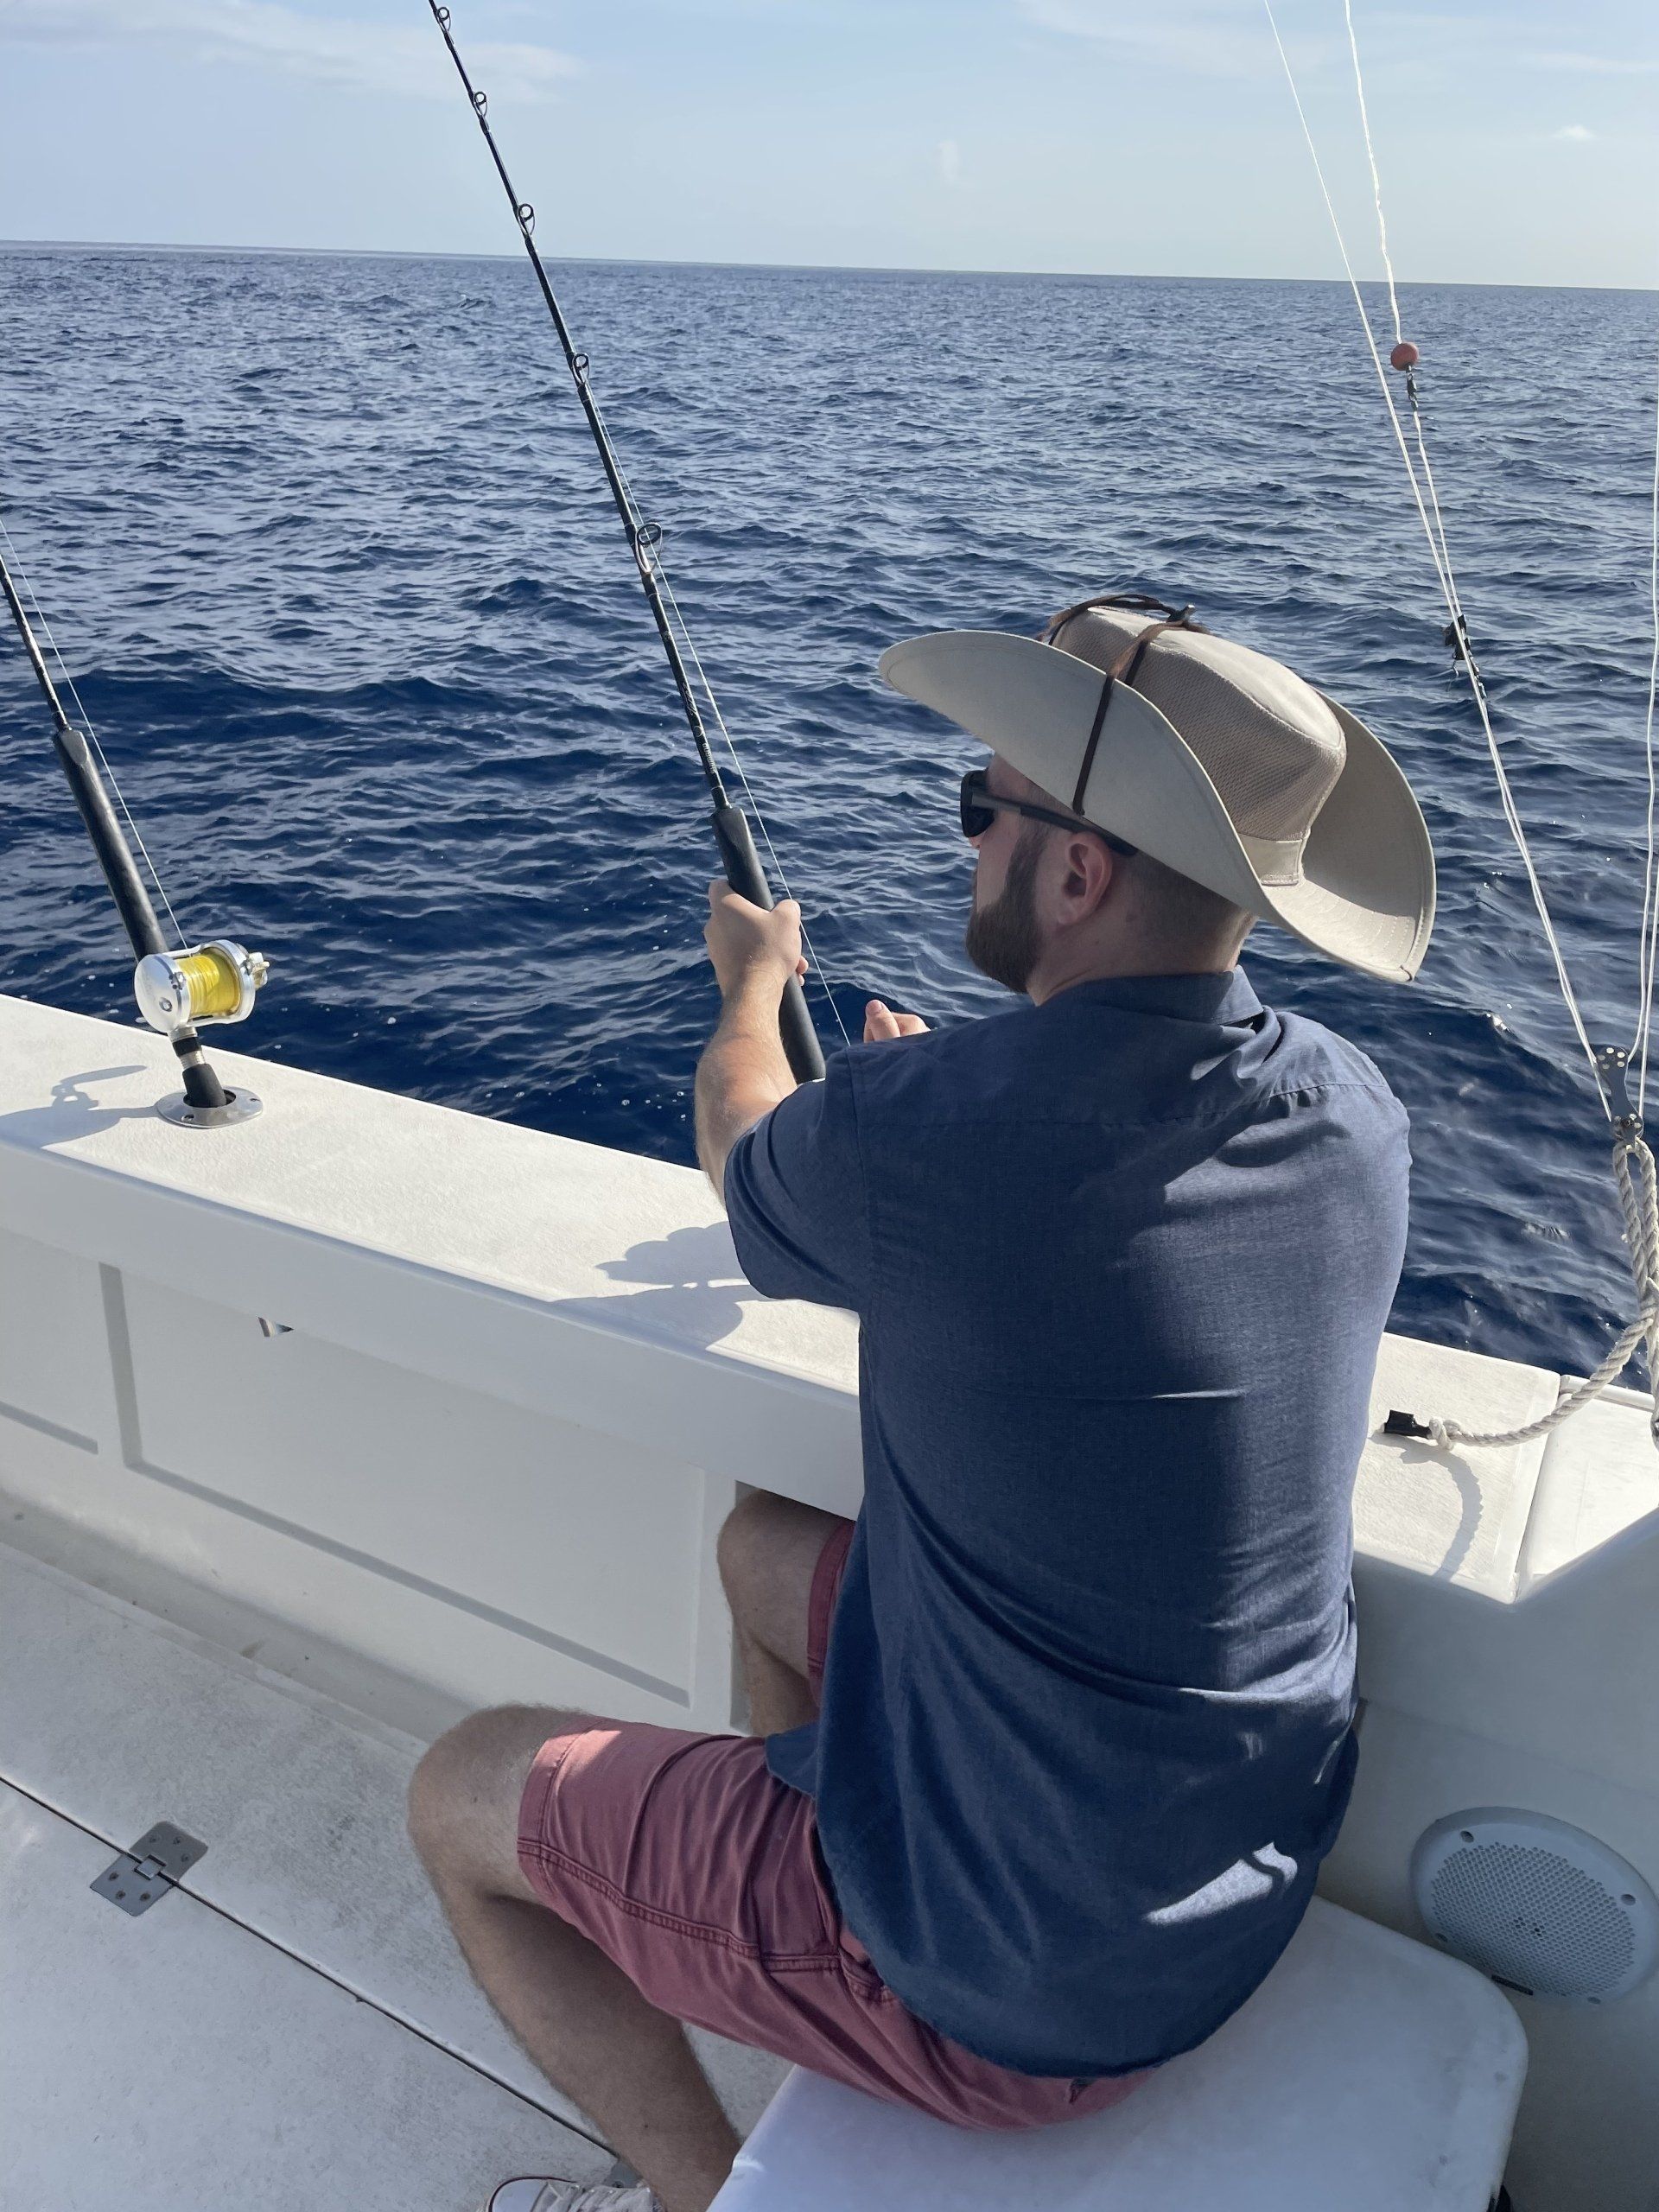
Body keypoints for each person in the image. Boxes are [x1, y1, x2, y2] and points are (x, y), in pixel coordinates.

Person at [407, 592, 1437, 2212]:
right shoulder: (1351, 1108)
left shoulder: (930, 1135)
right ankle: (793, 1929)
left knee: (462, 1793)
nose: (969, 841)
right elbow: (1102, 1186)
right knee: (761, 1548)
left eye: (984, 807)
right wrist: (966, 1086)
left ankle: (701, 2180)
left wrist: (755, 983)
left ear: (1077, 873)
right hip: (1231, 1873)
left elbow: (744, 1139)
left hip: (1019, 1996)